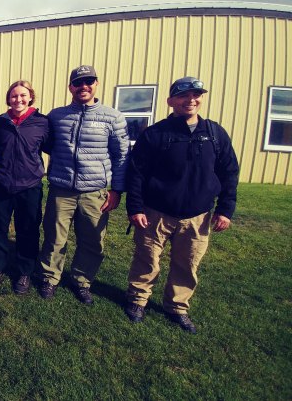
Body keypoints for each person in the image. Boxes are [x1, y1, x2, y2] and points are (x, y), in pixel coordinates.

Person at [124, 76, 239, 333]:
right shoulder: (155, 134)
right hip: (156, 212)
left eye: (196, 95)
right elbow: (137, 174)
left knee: (187, 264)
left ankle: (177, 306)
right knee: (147, 259)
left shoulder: (214, 134)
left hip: (197, 216)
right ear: (171, 101)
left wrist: (225, 209)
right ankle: (138, 300)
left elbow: (229, 172)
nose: (191, 100)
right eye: (184, 95)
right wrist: (136, 208)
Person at [37, 65, 129, 304]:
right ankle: (50, 278)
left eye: (89, 81)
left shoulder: (112, 117)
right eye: (78, 83)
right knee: (54, 237)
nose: (84, 87)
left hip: (94, 191)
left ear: (96, 84)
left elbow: (121, 156)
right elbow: (45, 144)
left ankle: (82, 281)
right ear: (70, 87)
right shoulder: (56, 116)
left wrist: (117, 190)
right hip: (61, 189)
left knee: (92, 240)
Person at [0, 80, 50, 294]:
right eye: (14, 96)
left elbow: (51, 147)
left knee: (28, 229)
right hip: (2, 183)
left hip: (29, 185)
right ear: (8, 99)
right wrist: (0, 153)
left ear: (30, 97)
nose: (18, 99)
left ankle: (25, 272)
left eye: (23, 95)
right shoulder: (0, 122)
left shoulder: (42, 122)